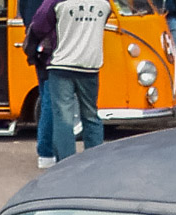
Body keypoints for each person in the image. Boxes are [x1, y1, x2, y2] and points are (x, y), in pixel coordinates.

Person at [26, 0, 111, 161]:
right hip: (90, 65)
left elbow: (38, 25)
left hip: (61, 65)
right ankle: (95, 162)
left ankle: (66, 164)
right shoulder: (104, 3)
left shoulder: (57, 2)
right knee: (91, 115)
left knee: (63, 119)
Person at [22, 0, 57, 167]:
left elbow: (27, 16)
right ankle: (47, 151)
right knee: (51, 102)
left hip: (39, 50)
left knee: (46, 100)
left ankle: (46, 151)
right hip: (53, 49)